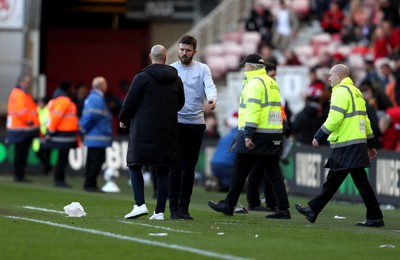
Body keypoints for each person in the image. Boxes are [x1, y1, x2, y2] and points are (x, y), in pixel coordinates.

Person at [295, 64, 384, 227]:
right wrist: (370, 143)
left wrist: (319, 136)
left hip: (346, 144)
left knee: (340, 180)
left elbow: (335, 118)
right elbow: (365, 120)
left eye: (331, 75)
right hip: (355, 143)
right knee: (341, 180)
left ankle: (313, 209)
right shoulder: (356, 92)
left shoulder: (340, 92)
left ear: (339, 76)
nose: (328, 78)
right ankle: (313, 210)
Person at [208, 54, 291, 219]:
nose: (244, 69)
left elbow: (253, 110)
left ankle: (229, 204)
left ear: (251, 67)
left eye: (245, 66)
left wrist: (248, 134)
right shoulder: (271, 82)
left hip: (258, 133)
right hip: (273, 133)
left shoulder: (254, 83)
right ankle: (283, 209)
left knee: (240, 167)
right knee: (273, 172)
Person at [120, 44, 185, 221]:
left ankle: (139, 204)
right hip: (168, 129)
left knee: (134, 163)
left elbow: (130, 101)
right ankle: (159, 212)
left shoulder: (142, 77)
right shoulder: (176, 78)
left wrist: (123, 118)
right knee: (162, 169)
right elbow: (180, 103)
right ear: (165, 57)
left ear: (150, 56)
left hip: (143, 128)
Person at [169, 35, 217, 220]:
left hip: (196, 124)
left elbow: (210, 87)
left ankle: (184, 209)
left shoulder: (202, 69)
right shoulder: (172, 69)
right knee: (175, 166)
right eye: (182, 49)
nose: (184, 53)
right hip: (176, 122)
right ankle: (173, 209)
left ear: (194, 52)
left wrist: (212, 99)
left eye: (188, 50)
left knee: (189, 168)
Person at [79, 77, 112, 192]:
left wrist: (83, 128)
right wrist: (83, 128)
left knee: (93, 160)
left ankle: (90, 183)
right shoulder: (97, 98)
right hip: (98, 136)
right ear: (102, 86)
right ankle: (90, 184)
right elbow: (93, 116)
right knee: (97, 160)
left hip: (94, 136)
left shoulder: (91, 98)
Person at [6, 75, 40, 182]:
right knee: (20, 153)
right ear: (21, 82)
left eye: (29, 82)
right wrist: (29, 120)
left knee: (22, 153)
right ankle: (18, 175)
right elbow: (21, 110)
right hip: (20, 128)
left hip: (23, 129)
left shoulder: (24, 94)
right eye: (27, 82)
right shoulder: (19, 94)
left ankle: (19, 174)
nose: (28, 85)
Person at [46, 80, 79, 188]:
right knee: (62, 159)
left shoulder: (61, 100)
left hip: (65, 135)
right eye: (72, 88)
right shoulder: (64, 101)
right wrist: (50, 131)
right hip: (64, 135)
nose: (73, 90)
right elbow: (56, 117)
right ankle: (59, 180)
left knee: (62, 158)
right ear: (68, 89)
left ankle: (59, 179)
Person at [32, 96, 52, 175]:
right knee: (37, 150)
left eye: (41, 102)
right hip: (38, 134)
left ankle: (46, 170)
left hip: (46, 133)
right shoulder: (36, 110)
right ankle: (47, 166)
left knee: (47, 152)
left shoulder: (48, 110)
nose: (39, 104)